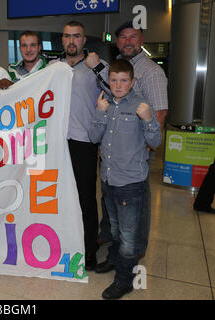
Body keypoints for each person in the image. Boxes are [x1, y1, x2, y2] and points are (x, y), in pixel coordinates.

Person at [86, 21, 169, 255]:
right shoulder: (120, 68)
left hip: (137, 150)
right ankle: (115, 242)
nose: (128, 41)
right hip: (115, 150)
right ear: (117, 42)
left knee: (136, 204)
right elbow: (114, 90)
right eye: (123, 37)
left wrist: (147, 149)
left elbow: (160, 112)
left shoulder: (151, 72)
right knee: (112, 198)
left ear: (142, 40)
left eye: (133, 37)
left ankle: (135, 248)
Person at [89, 59, 161, 299]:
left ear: (132, 82)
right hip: (108, 179)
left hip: (130, 183)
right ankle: (115, 260)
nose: (118, 85)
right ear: (109, 80)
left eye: (123, 81)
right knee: (116, 229)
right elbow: (93, 137)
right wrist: (99, 113)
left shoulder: (142, 105)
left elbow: (155, 142)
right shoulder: (105, 103)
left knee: (129, 237)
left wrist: (150, 119)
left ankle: (124, 281)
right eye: (114, 80)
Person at [49, 21, 108, 271]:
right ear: (61, 40)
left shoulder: (96, 65)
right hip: (56, 141)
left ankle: (88, 249)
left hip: (84, 141)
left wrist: (97, 69)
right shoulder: (53, 67)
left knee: (85, 198)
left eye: (76, 36)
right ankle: (63, 242)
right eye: (66, 36)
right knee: (58, 195)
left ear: (84, 40)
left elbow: (115, 92)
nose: (71, 40)